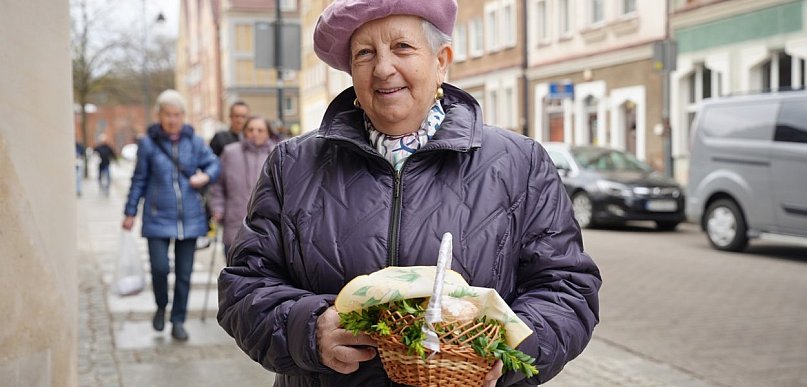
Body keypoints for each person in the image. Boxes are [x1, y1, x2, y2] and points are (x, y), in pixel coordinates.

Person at [217, 1, 601, 386]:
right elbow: (244, 288)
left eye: (402, 47)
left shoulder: (520, 163)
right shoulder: (292, 164)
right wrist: (308, 330)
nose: (383, 68)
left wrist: (508, 348)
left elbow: (567, 288)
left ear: (441, 60)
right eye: (365, 53)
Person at [122, 89, 220, 341]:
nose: (173, 119)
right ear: (159, 115)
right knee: (159, 268)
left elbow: (213, 164)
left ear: (183, 116)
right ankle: (161, 305)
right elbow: (139, 179)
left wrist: (205, 175)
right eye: (167, 115)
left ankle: (178, 320)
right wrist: (130, 211)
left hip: (190, 218)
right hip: (157, 216)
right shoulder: (148, 144)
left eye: (177, 115)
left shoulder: (195, 142)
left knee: (184, 274)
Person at [208, 116, 278, 257]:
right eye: (251, 129)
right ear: (244, 132)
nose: (255, 133)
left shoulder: (278, 153)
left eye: (260, 130)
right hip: (234, 221)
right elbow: (218, 185)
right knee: (234, 270)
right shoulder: (230, 152)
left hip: (268, 226)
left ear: (268, 133)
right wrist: (217, 208)